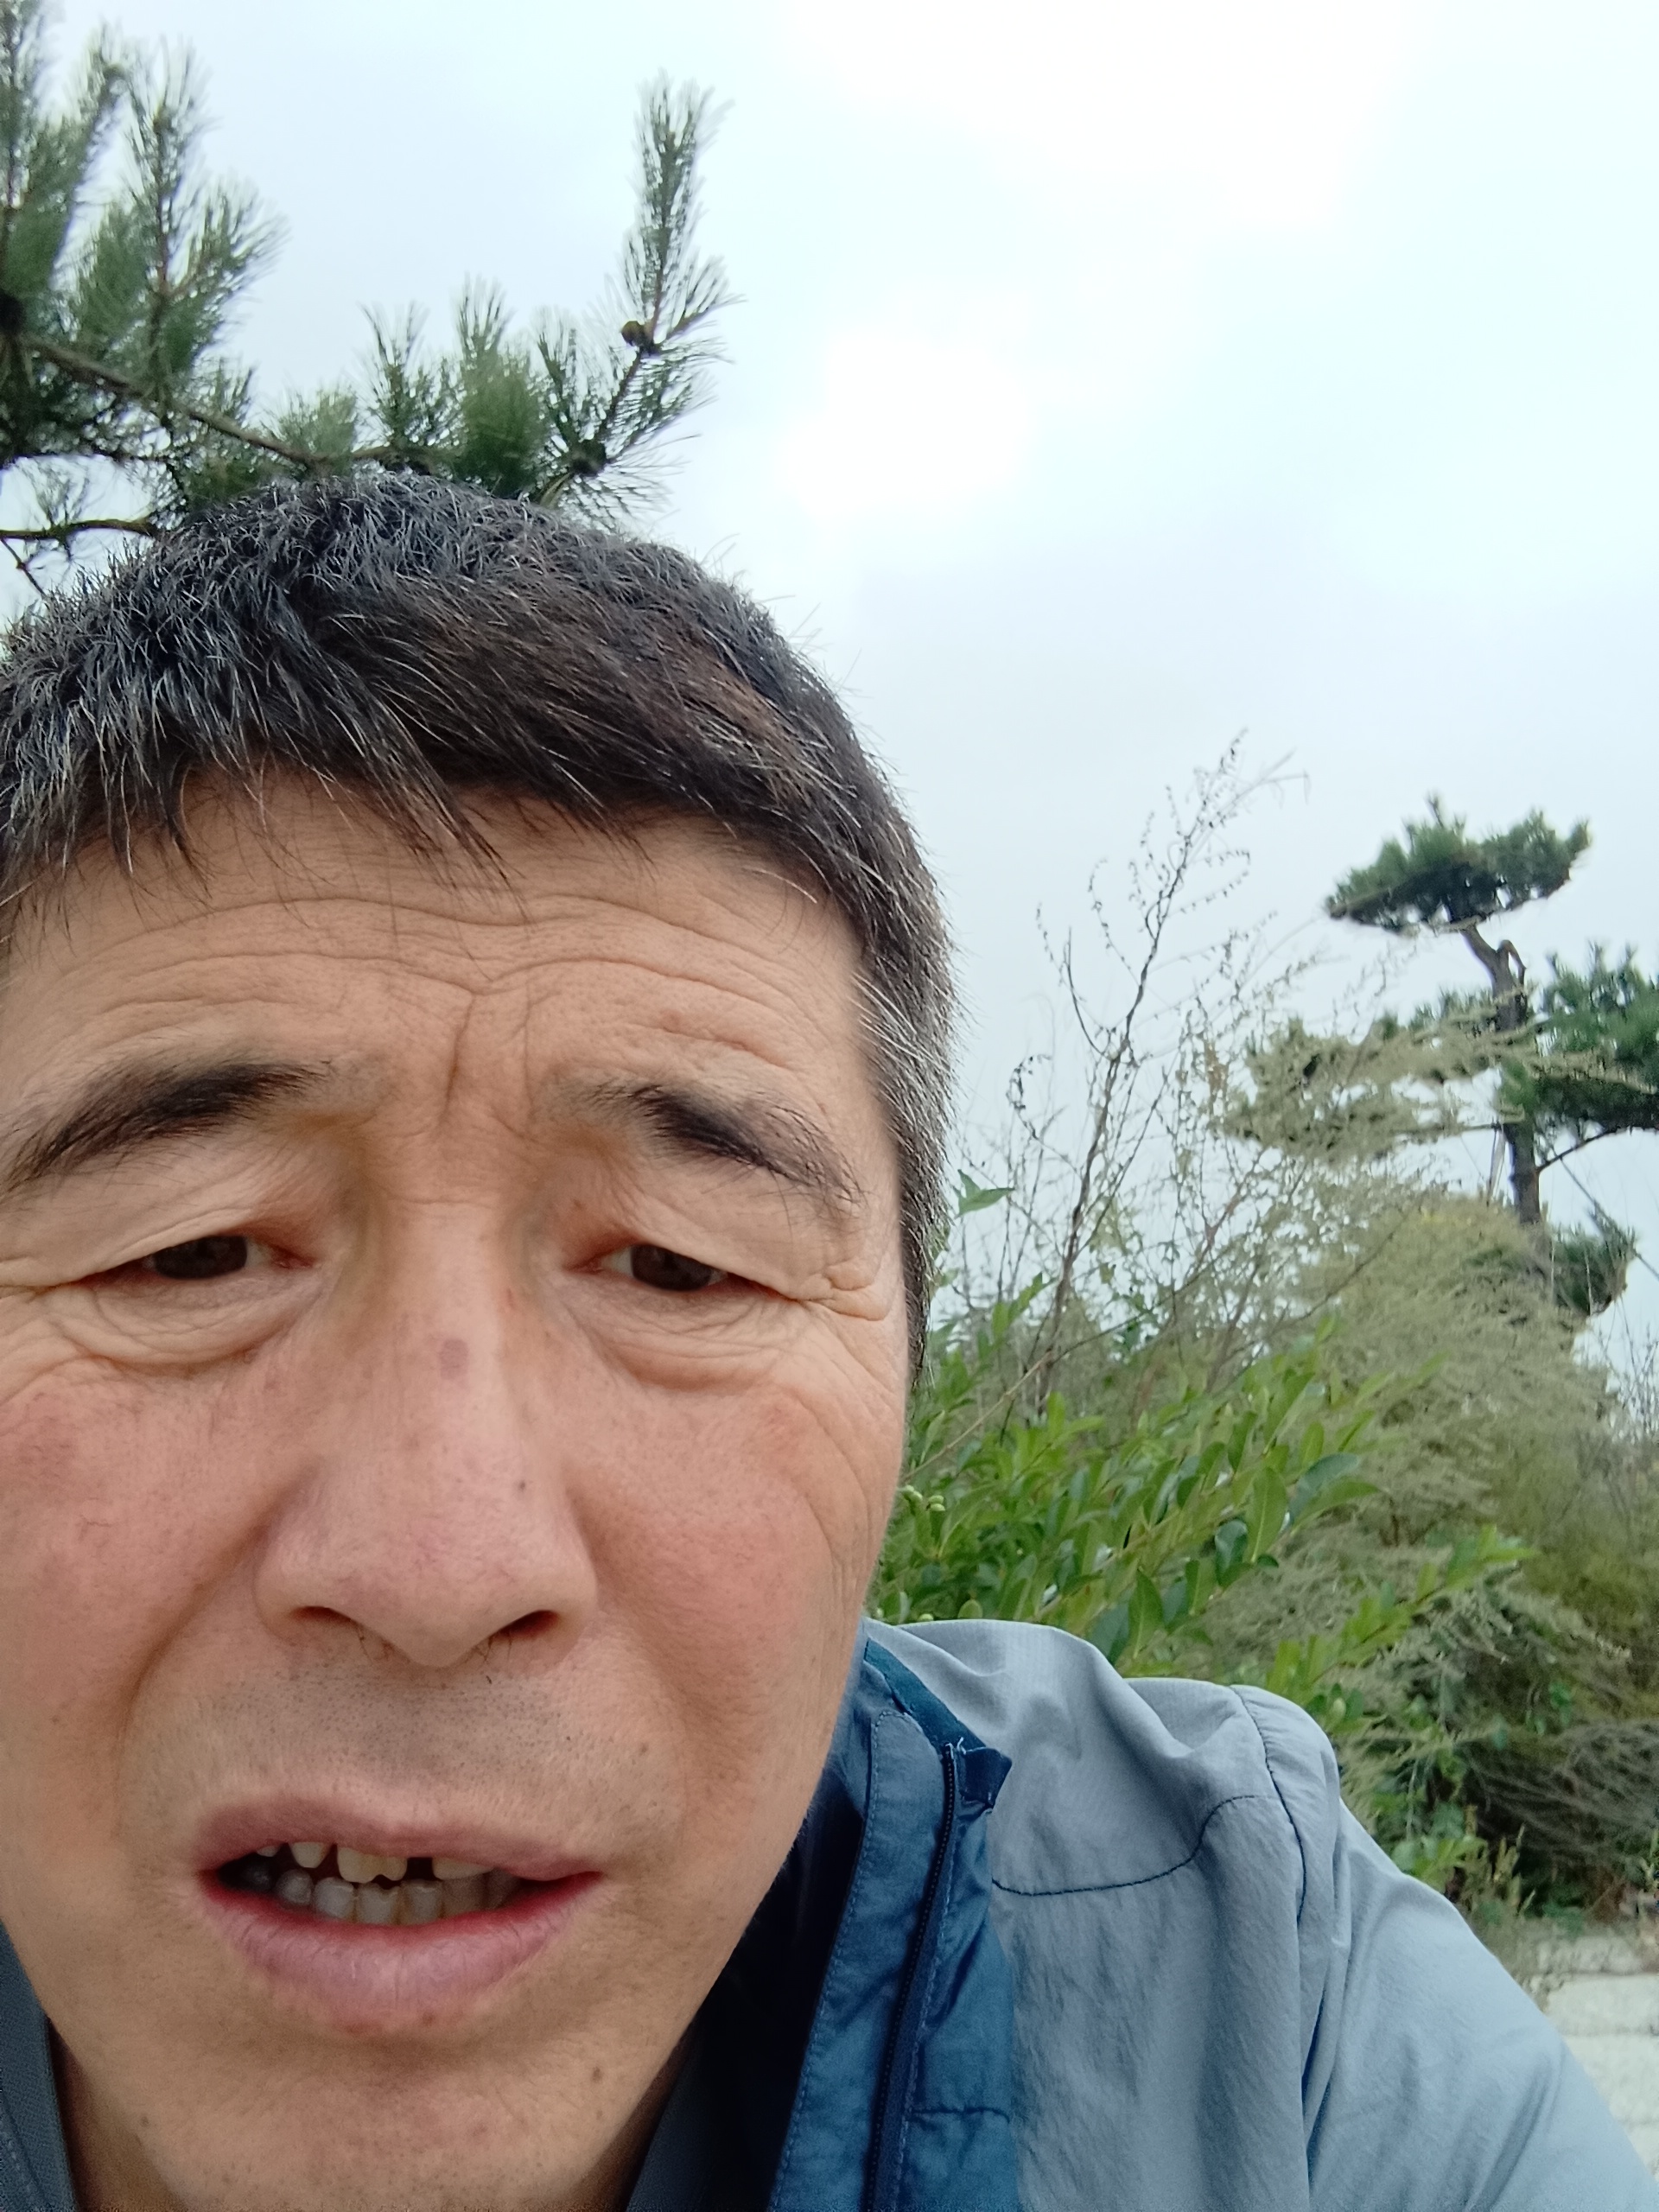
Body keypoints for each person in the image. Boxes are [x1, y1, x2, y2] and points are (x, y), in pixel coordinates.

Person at [0, 476, 1644, 2212]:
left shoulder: (1260, 2001)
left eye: (680, 1268)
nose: (441, 1564)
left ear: (908, 1391)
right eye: (190, 1250)